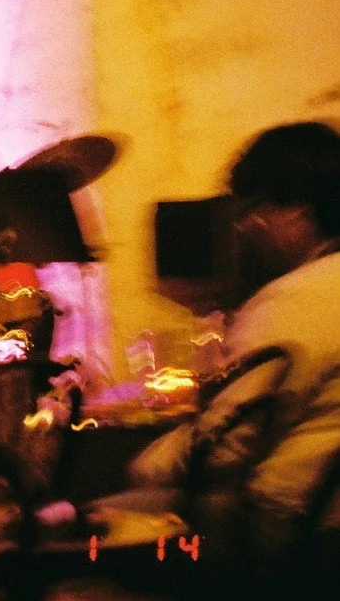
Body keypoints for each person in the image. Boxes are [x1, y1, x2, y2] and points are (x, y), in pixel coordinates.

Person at [126, 122, 340, 564]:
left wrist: (144, 464)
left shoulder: (295, 297)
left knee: (92, 525)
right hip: (325, 522)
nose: (245, 226)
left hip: (281, 533)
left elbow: (222, 447)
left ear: (298, 208)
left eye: (253, 207)